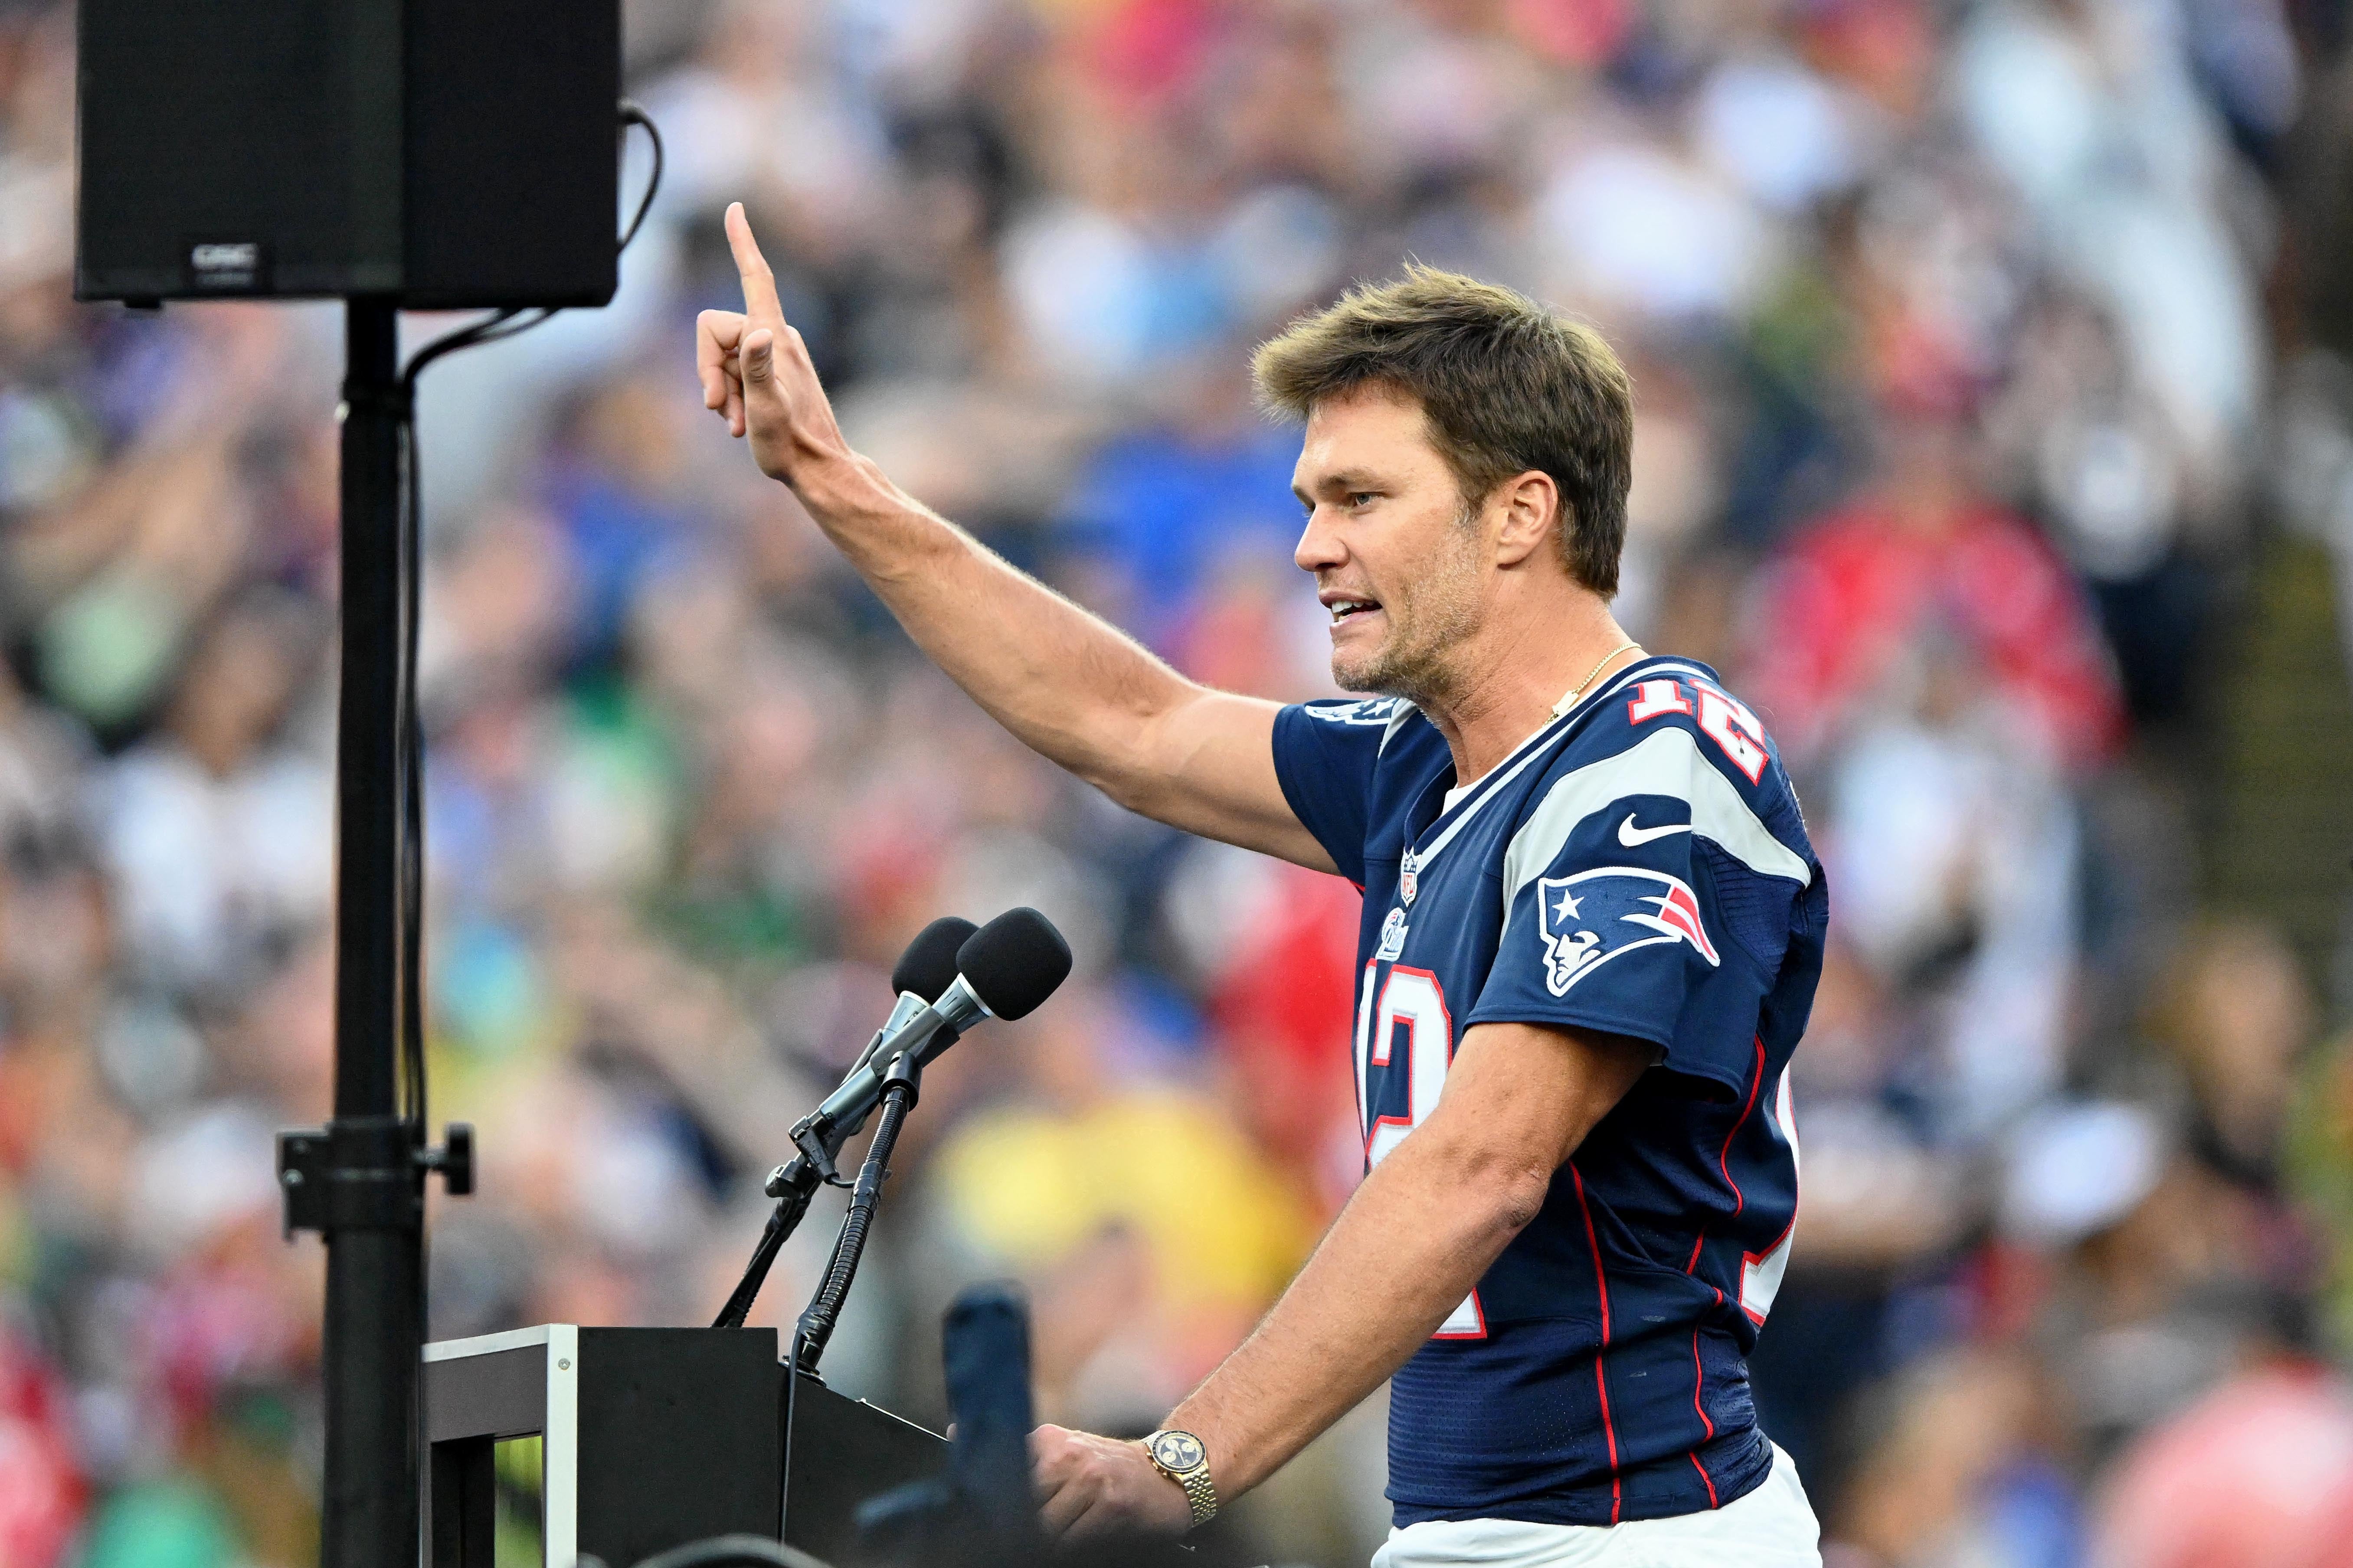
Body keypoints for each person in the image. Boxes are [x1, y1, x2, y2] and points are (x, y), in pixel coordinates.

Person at [697, 203, 1826, 1567]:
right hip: (1471, 1527)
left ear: (1522, 510)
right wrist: (826, 474)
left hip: (1639, 1533)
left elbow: (1480, 1170)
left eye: (1360, 499)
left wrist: (1179, 1461)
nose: (1309, 545)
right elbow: (1133, 727)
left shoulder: (1655, 770)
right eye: (1308, 504)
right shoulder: (1435, 763)